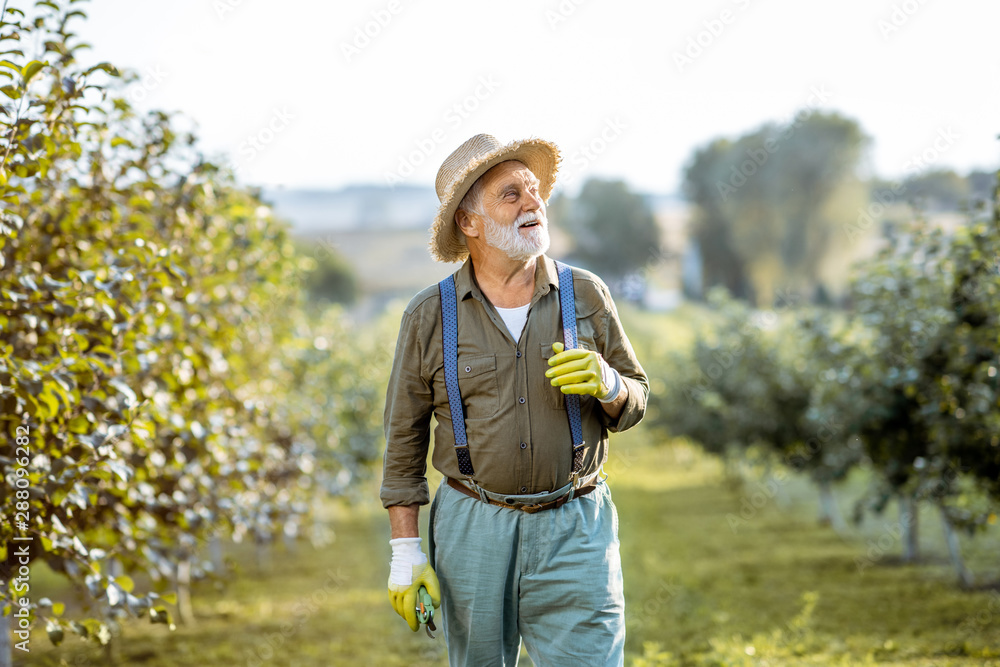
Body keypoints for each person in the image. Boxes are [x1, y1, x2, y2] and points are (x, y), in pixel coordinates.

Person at [381, 133, 648, 666]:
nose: (533, 203)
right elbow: (404, 444)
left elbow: (636, 396)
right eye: (511, 194)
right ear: (469, 222)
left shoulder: (586, 294)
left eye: (534, 190)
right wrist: (405, 553)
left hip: (576, 523)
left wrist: (608, 384)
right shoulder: (430, 316)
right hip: (473, 525)